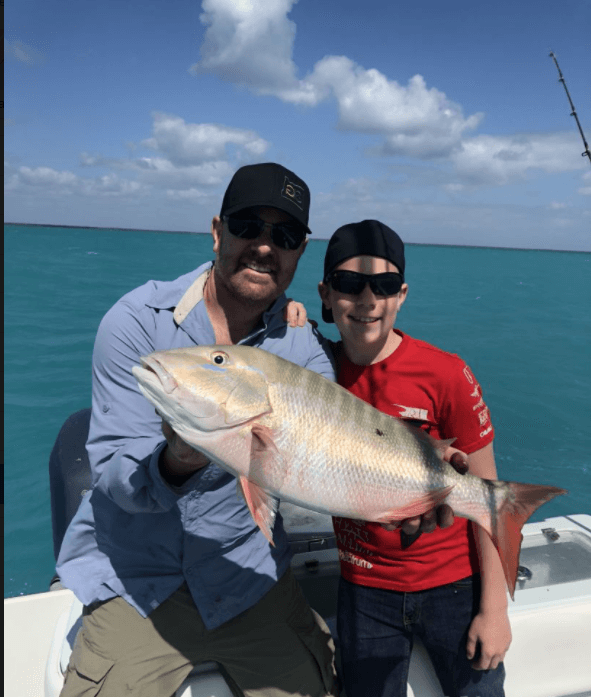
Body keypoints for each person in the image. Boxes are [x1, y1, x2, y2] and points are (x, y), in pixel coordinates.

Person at [56, 164, 466, 697]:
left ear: (298, 253)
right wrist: (179, 458)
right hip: (138, 584)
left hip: (249, 581)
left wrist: (411, 492)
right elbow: (111, 476)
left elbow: (335, 455)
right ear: (216, 230)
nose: (265, 247)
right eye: (249, 226)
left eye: (286, 236)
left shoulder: (302, 346)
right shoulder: (137, 324)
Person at [317, 220, 511, 697]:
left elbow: (489, 497)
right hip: (363, 591)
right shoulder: (315, 369)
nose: (367, 300)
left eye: (383, 286)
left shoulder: (445, 373)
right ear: (325, 294)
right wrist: (289, 315)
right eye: (348, 284)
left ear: (401, 294)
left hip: (454, 588)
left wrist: (495, 608)